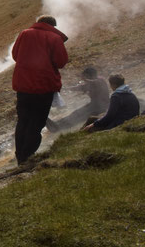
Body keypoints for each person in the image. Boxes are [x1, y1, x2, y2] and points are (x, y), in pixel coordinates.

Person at [11, 15, 68, 164]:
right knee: (36, 122)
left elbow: (15, 55)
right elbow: (61, 62)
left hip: (23, 86)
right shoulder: (54, 38)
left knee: (23, 120)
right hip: (44, 87)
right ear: (53, 25)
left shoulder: (24, 34)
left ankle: (20, 155)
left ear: (38, 23)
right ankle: (27, 156)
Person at [46, 67, 110, 131]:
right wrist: (65, 88)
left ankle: (58, 128)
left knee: (78, 117)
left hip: (100, 107)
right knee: (76, 113)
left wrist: (86, 79)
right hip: (94, 105)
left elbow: (94, 83)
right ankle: (57, 124)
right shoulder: (91, 83)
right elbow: (80, 87)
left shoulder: (99, 81)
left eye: (85, 76)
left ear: (90, 76)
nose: (84, 79)